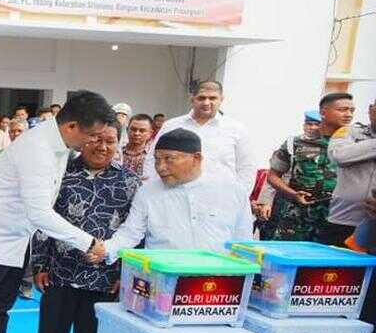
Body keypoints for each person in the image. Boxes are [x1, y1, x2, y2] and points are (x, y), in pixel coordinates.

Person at [0, 90, 116, 333]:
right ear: (72, 127)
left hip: (16, 242)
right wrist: (89, 242)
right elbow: (40, 212)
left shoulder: (59, 147)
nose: (93, 142)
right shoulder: (38, 149)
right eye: (91, 135)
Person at [28, 122, 140, 333]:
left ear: (118, 143)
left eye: (110, 141)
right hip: (59, 273)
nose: (102, 146)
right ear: (83, 140)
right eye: (95, 139)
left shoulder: (129, 182)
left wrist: (124, 272)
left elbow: (136, 232)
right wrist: (40, 263)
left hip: (105, 277)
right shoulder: (61, 173)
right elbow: (42, 220)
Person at [98, 129, 253, 262]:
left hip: (218, 278)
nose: (161, 167)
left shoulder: (233, 191)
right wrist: (105, 249)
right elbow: (131, 233)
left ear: (196, 158)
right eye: (157, 160)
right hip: (164, 278)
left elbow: (243, 242)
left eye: (169, 159)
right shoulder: (147, 192)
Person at [268, 95, 352, 242]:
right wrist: (293, 194)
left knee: (328, 256)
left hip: (336, 218)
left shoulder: (355, 144)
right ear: (323, 112)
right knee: (287, 253)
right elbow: (272, 176)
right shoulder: (296, 143)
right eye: (342, 110)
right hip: (297, 217)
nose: (348, 114)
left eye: (352, 110)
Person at [145, 81, 256, 187]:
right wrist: (152, 190)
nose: (206, 103)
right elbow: (152, 159)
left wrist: (238, 197)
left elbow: (246, 168)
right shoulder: (172, 126)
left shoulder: (236, 129)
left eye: (212, 98)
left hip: (220, 197)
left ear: (221, 100)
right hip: (175, 194)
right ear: (192, 99)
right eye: (201, 98)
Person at [326, 97, 376, 247]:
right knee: (334, 261)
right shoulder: (348, 132)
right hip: (344, 220)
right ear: (371, 109)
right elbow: (339, 155)